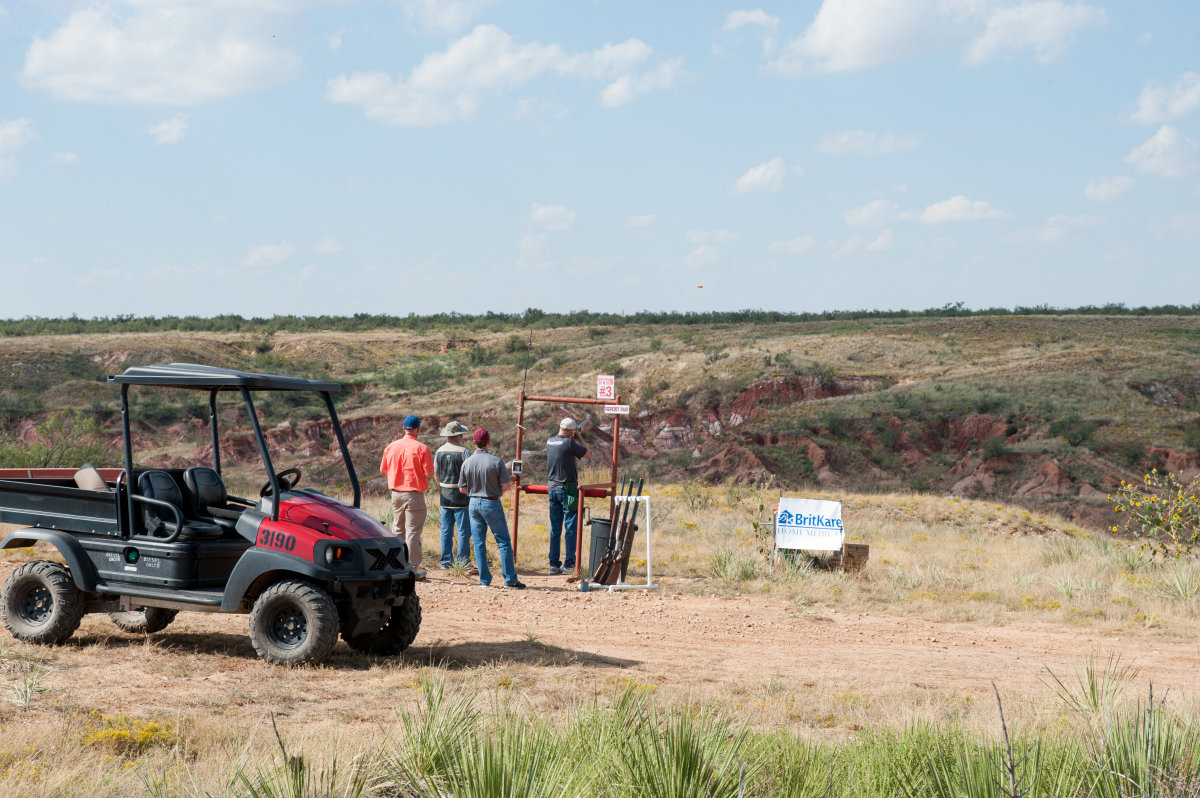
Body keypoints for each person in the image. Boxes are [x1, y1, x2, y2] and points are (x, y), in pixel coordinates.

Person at [458, 428, 525, 589]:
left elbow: (462, 489)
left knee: (479, 542)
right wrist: (494, 490)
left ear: (474, 442)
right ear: (488, 441)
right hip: (491, 502)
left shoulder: (467, 462)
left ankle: (484, 580)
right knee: (503, 541)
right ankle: (509, 580)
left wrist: (475, 493)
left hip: (473, 503)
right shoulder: (496, 461)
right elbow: (507, 486)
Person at [380, 414, 434, 579]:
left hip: (396, 494)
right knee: (413, 532)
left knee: (398, 530)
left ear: (404, 429)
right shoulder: (422, 448)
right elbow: (430, 474)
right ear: (418, 429)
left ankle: (396, 565)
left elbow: (383, 470)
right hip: (414, 494)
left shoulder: (391, 447)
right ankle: (413, 569)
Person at [545, 417, 588, 575]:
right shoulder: (570, 443)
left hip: (552, 488)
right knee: (570, 528)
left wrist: (572, 435)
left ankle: (554, 564)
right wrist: (579, 437)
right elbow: (587, 454)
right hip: (567, 488)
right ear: (571, 431)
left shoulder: (549, 441)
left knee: (555, 528)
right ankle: (569, 565)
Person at [435, 420, 474, 571]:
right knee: (463, 530)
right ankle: (463, 561)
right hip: (462, 496)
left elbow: (437, 476)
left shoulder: (439, 451)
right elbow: (470, 475)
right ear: (459, 435)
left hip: (445, 496)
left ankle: (446, 562)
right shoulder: (465, 452)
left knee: (446, 529)